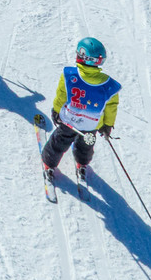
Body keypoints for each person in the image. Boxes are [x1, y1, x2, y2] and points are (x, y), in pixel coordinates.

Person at [42, 38, 120, 188]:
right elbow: (111, 107)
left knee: (60, 141)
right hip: (91, 125)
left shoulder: (70, 75)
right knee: (87, 144)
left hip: (69, 120)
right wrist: (107, 125)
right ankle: (82, 163)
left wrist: (56, 111)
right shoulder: (108, 85)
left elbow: (62, 95)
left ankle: (48, 164)